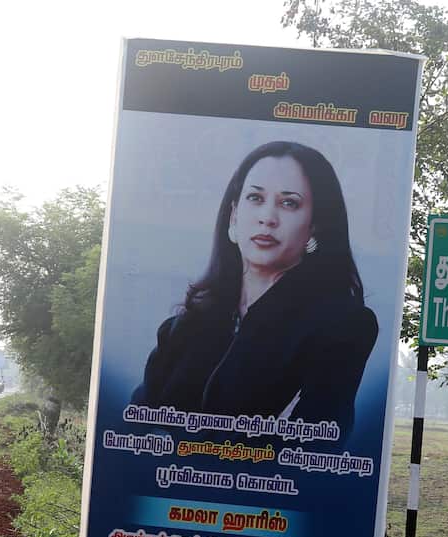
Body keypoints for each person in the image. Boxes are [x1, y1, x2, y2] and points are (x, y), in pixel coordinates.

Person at [131, 141, 378, 440]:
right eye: (255, 198)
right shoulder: (182, 327)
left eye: (289, 203)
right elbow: (136, 426)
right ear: (234, 217)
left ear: (315, 227)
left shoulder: (343, 326)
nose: (267, 217)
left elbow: (316, 445)